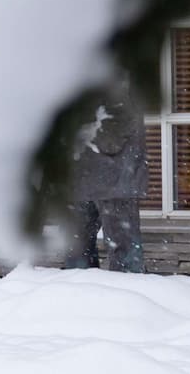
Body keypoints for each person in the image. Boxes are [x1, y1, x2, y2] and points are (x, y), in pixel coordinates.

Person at [64, 81, 147, 272]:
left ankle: (128, 296)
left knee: (124, 254)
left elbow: (120, 123)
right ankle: (78, 296)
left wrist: (84, 142)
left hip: (116, 179)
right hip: (79, 179)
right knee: (76, 253)